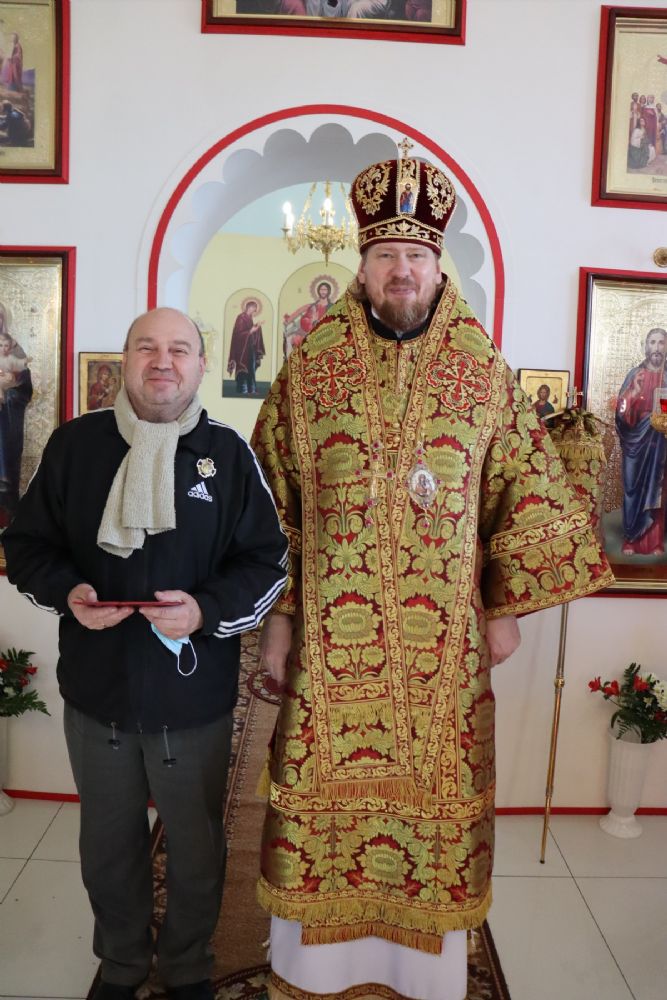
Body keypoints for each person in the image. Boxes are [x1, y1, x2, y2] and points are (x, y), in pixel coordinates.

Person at [251, 155, 613, 1000]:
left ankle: (419, 979)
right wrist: (279, 618)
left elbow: (520, 484)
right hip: (329, 651)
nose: (401, 270)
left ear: (437, 263)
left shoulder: (482, 370)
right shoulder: (310, 367)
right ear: (362, 264)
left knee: (438, 795)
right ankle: (314, 975)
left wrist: (505, 605)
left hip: (441, 646)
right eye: (385, 255)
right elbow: (271, 501)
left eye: (415, 255)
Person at [3, 307, 288, 1000]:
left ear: (202, 364)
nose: (163, 361)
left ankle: (187, 967)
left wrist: (205, 611)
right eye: (147, 347)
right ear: (125, 359)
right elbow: (27, 546)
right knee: (108, 845)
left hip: (192, 697)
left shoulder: (228, 455)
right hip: (96, 689)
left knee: (195, 847)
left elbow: (267, 562)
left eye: (180, 349)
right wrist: (68, 592)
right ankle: (123, 963)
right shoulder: (75, 446)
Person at [615, 327, 667, 556]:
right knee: (632, 487)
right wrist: (634, 392)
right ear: (646, 346)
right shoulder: (635, 374)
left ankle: (655, 542)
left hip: (660, 442)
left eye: (661, 342)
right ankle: (631, 538)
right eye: (652, 342)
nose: (657, 347)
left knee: (657, 488)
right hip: (635, 440)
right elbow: (621, 410)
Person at [0, 320, 32, 528]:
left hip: (6, 421)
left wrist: (8, 391)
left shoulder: (14, 349)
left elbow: (24, 388)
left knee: (6, 456)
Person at [227, 299, 265, 396]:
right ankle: (243, 389)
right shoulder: (241, 317)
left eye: (255, 310)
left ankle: (251, 389)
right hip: (241, 350)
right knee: (243, 368)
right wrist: (251, 331)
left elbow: (250, 332)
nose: (254, 311)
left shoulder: (249, 318)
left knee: (251, 369)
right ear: (249, 307)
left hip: (250, 348)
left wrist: (257, 327)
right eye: (254, 309)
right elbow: (238, 334)